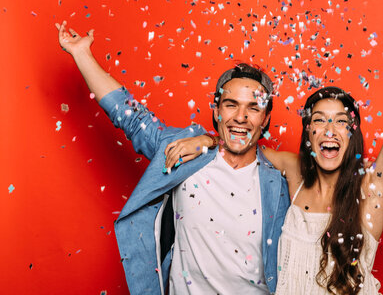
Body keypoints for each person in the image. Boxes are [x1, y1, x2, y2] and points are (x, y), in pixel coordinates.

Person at [165, 0, 383, 294]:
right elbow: (241, 138)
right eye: (319, 121)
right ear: (309, 135)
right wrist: (207, 141)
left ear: (352, 133)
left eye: (340, 122)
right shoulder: (293, 174)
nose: (329, 129)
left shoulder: (371, 192)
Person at [56, 21, 290, 295]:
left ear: (266, 119)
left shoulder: (282, 180)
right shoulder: (186, 152)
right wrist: (82, 54)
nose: (241, 117)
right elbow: (132, 118)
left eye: (253, 108)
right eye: (231, 105)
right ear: (216, 111)